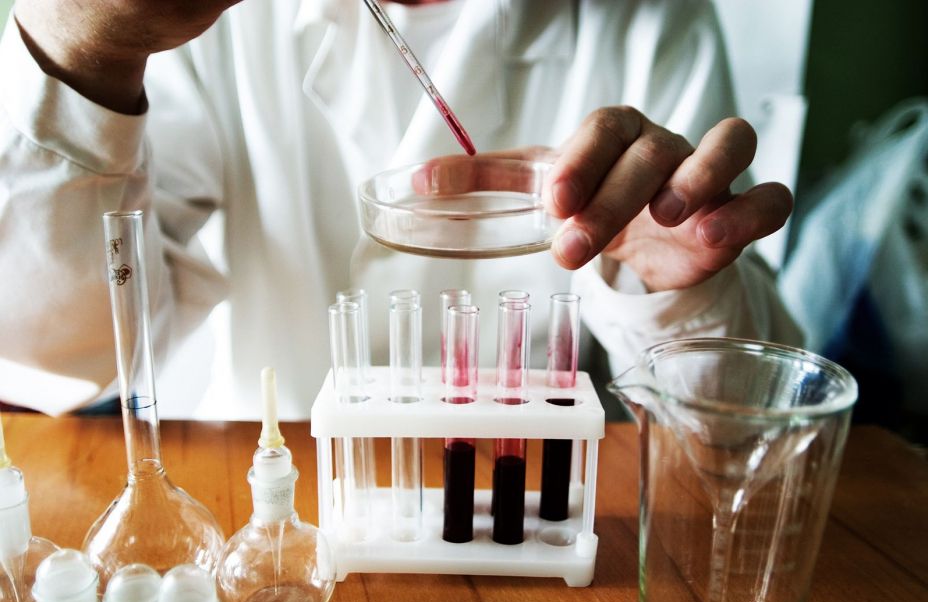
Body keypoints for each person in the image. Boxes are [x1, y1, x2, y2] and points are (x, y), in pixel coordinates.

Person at [0, 0, 799, 420]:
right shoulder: (205, 24)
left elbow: (737, 426)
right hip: (274, 497)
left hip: (524, 509)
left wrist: (677, 294)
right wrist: (82, 49)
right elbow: (56, 359)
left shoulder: (650, 23)